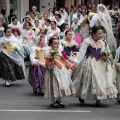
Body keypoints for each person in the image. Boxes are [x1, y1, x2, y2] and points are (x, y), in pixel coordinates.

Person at [72, 26, 118, 107]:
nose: (101, 35)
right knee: (89, 80)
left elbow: (106, 51)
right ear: (93, 34)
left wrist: (106, 55)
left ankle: (98, 99)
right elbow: (81, 53)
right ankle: (81, 95)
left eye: (101, 34)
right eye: (99, 34)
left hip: (100, 63)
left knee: (100, 80)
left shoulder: (103, 42)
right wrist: (75, 62)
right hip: (90, 61)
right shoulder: (87, 41)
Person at [44, 37, 75, 108]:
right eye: (55, 44)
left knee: (61, 85)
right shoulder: (48, 53)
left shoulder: (59, 52)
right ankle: (53, 101)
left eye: (58, 43)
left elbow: (64, 61)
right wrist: (50, 64)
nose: (57, 45)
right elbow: (46, 64)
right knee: (54, 86)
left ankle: (59, 99)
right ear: (51, 44)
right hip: (53, 72)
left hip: (61, 71)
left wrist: (70, 66)